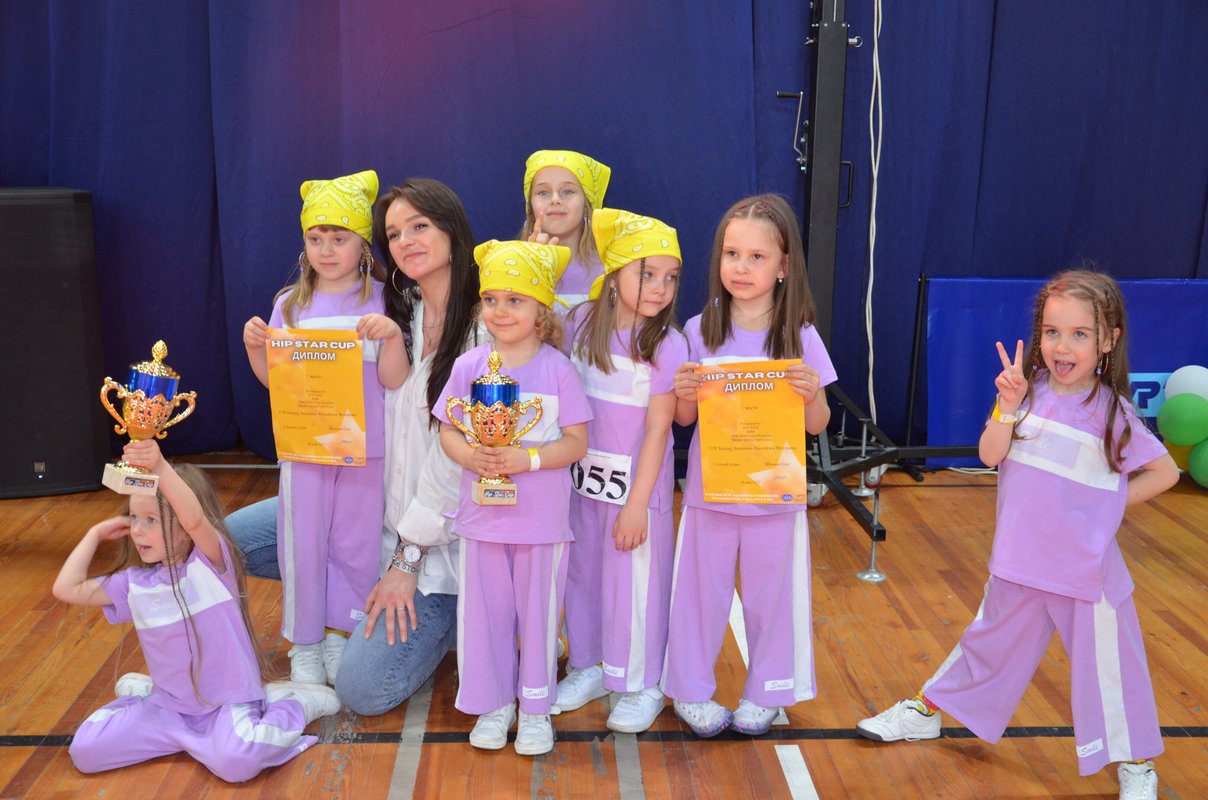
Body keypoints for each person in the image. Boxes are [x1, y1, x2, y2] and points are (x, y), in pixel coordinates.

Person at [855, 270, 1180, 800]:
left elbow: (1164, 473)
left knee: (1112, 670)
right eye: (1052, 332)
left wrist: (1106, 506)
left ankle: (1137, 763)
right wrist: (1006, 408)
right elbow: (989, 456)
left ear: (1108, 340)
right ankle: (927, 711)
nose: (1062, 347)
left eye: (1079, 334)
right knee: (985, 646)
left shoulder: (1114, 414)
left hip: (1086, 574)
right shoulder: (1023, 394)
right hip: (1019, 562)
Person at [225, 179, 482, 717]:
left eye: (420, 227)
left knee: (362, 689)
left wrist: (407, 559)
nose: (406, 241)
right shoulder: (404, 305)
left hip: (430, 536)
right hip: (346, 478)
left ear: (452, 231)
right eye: (396, 232)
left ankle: (461, 617)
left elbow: (451, 464)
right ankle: (314, 628)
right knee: (226, 540)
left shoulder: (477, 329)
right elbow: (287, 384)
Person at [53, 440, 339, 782]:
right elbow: (66, 589)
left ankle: (293, 705)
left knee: (237, 763)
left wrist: (160, 468)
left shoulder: (211, 565)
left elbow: (195, 520)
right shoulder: (133, 584)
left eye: (151, 520)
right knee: (86, 751)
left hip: (225, 705)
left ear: (184, 528)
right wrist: (94, 534)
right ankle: (146, 696)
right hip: (167, 709)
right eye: (133, 518)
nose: (137, 530)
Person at [664, 194, 835, 738]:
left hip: (775, 497)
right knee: (699, 595)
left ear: (784, 266)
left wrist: (811, 392)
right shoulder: (699, 329)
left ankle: (768, 693)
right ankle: (689, 691)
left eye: (757, 257)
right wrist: (683, 389)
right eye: (731, 253)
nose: (741, 266)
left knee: (773, 600)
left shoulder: (800, 335)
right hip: (710, 492)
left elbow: (818, 424)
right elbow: (684, 419)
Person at [243, 169, 408, 686]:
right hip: (307, 448)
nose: (327, 250)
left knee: (357, 543)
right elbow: (276, 383)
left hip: (367, 449)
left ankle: (342, 631)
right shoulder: (290, 304)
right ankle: (305, 641)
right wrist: (255, 348)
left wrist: (393, 337)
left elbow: (395, 380)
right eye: (316, 239)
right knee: (303, 542)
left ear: (363, 245)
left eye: (339, 238)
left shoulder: (385, 299)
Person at [435, 240, 591, 756]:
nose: (500, 311)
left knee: (539, 618)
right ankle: (493, 703)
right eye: (492, 299)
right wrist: (469, 455)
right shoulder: (468, 366)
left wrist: (529, 459)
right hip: (481, 520)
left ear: (541, 309)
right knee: (485, 617)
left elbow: (577, 442)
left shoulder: (558, 369)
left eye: (515, 300)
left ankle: (536, 709)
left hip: (541, 525)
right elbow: (448, 430)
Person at [555, 208, 687, 734]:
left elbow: (658, 430)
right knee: (582, 576)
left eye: (671, 278)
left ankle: (641, 681)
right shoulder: (579, 323)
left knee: (635, 586)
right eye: (647, 274)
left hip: (637, 492)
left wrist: (637, 505)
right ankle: (589, 664)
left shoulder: (668, 344)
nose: (660, 288)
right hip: (581, 486)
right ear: (613, 275)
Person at [520, 149, 611, 307]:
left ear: (586, 205)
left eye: (568, 191)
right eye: (543, 192)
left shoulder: (611, 271)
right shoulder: (511, 266)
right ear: (530, 207)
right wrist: (531, 269)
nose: (555, 199)